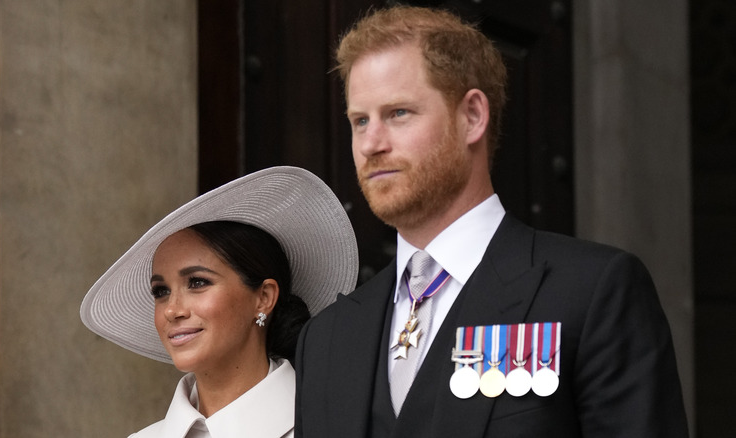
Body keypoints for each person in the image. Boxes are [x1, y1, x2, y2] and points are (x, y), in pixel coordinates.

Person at [294, 6, 688, 437]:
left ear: (473, 117)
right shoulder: (328, 338)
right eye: (360, 121)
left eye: (398, 113)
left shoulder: (592, 293)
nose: (370, 144)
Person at [81, 166, 358, 437]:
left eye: (197, 282)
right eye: (161, 291)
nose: (172, 310)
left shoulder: (336, 427)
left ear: (264, 298)